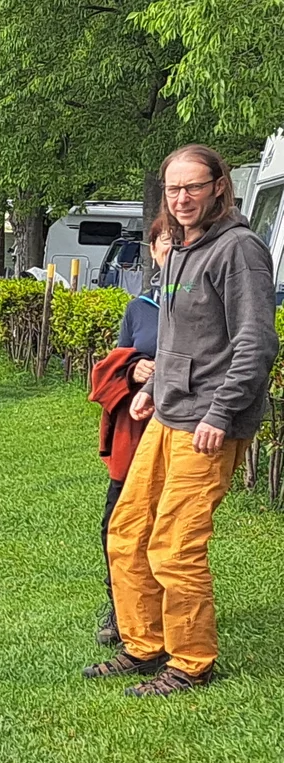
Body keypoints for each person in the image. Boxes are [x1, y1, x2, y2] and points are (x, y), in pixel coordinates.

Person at [86, 144, 279, 696]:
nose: (182, 198)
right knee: (127, 533)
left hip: (207, 424)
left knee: (174, 543)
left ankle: (192, 660)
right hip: (169, 412)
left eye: (193, 186)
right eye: (174, 189)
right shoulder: (181, 251)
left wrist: (221, 411)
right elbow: (173, 337)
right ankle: (143, 645)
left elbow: (256, 342)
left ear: (220, 185)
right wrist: (155, 391)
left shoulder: (239, 251)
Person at [89, 216, 172, 646]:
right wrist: (133, 368)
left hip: (178, 430)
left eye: (179, 241)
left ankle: (163, 617)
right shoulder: (140, 305)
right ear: (153, 249)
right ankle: (121, 608)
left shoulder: (200, 301)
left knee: (164, 529)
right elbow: (116, 359)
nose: (170, 248)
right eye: (163, 242)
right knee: (117, 524)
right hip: (136, 433)